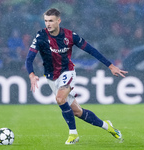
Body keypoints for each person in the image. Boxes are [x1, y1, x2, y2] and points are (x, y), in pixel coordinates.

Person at [25, 8, 128, 144]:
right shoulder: (40, 36)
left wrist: (110, 66)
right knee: (77, 112)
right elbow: (29, 58)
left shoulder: (70, 36)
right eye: (45, 21)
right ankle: (107, 126)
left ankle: (73, 134)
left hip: (67, 72)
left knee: (60, 98)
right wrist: (31, 75)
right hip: (51, 77)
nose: (48, 24)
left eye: (51, 21)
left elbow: (91, 50)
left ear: (58, 21)